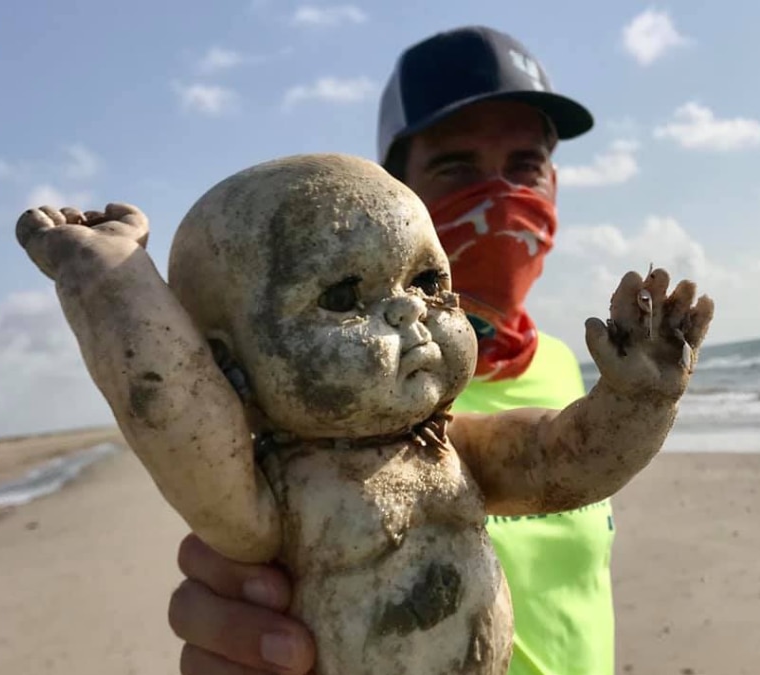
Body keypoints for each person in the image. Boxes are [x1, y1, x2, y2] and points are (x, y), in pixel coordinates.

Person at [168, 25, 618, 675]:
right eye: (457, 166)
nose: (502, 196)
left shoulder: (559, 362)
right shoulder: (311, 404)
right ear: (389, 195)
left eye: (526, 165)